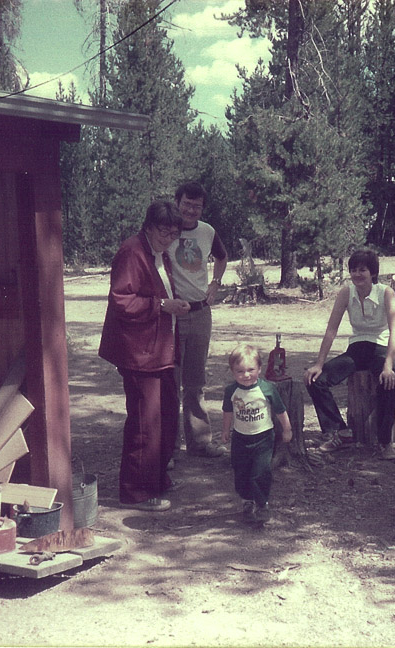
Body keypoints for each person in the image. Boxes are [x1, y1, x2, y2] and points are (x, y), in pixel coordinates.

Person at [98, 201, 190, 512]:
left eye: (174, 233)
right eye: (164, 231)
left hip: (160, 350)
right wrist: (163, 306)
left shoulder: (159, 252)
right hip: (139, 353)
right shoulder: (131, 251)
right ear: (148, 226)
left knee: (165, 418)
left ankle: (156, 479)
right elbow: (122, 301)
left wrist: (174, 305)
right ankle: (134, 492)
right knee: (144, 423)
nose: (168, 238)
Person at [304, 249, 395, 460]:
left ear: (373, 273)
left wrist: (388, 365)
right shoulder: (346, 293)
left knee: (389, 381)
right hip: (358, 347)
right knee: (315, 380)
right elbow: (332, 329)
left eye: (363, 270)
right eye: (354, 270)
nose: (357, 274)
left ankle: (385, 442)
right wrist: (319, 364)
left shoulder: (386, 293)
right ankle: (341, 432)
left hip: (382, 347)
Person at [168, 181, 229, 458]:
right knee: (169, 381)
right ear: (177, 202)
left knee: (195, 382)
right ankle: (167, 447)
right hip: (172, 316)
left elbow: (222, 256)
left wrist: (215, 283)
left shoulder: (207, 231)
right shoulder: (166, 229)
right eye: (186, 204)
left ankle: (200, 442)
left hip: (201, 312)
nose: (191, 210)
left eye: (197, 205)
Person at [221, 344, 292, 523]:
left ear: (259, 369)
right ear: (232, 372)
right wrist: (225, 430)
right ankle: (247, 500)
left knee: (261, 471)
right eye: (240, 371)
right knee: (241, 470)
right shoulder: (231, 391)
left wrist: (287, 428)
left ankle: (262, 504)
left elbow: (280, 410)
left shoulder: (267, 389)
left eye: (251, 370)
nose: (246, 375)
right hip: (240, 438)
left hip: (263, 438)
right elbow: (228, 411)